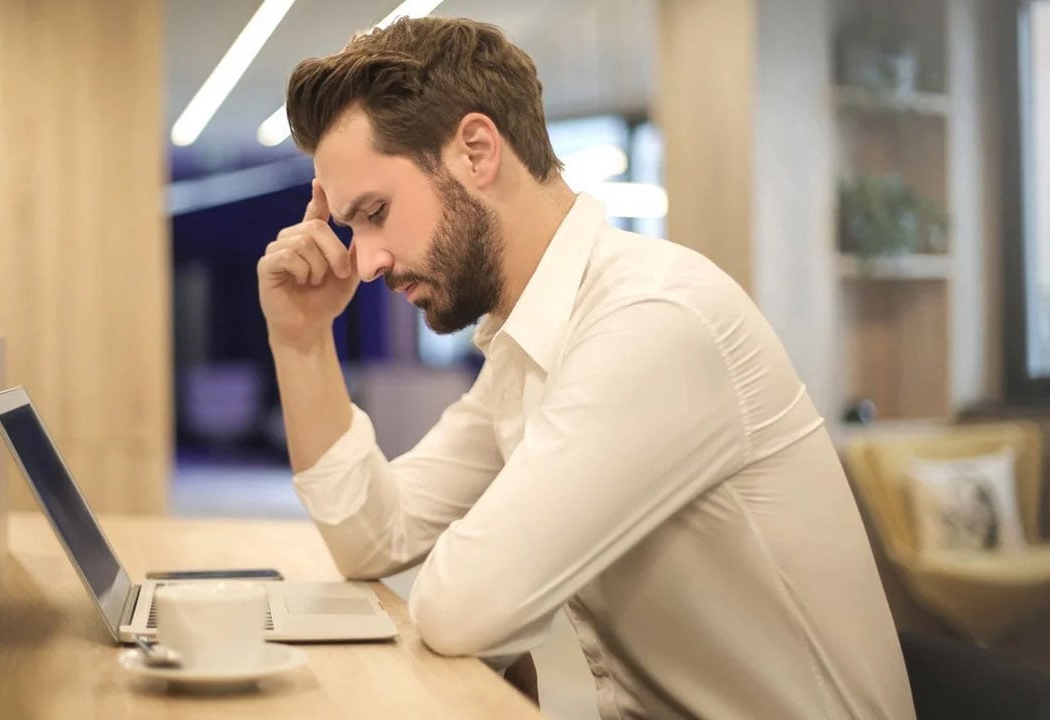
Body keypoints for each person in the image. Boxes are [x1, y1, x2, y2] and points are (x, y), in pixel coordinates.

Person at [256, 16, 916, 720]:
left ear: (476, 151)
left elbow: (462, 608)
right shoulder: (530, 344)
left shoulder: (652, 320)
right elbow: (373, 537)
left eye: (377, 212)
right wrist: (302, 339)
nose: (364, 261)